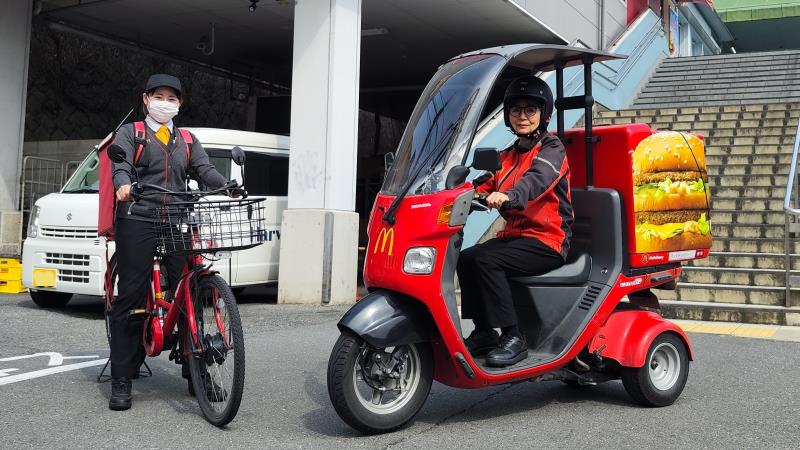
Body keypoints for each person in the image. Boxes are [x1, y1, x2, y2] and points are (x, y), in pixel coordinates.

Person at [108, 74, 231, 410]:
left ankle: (196, 373)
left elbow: (204, 170)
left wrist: (226, 185)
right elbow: (119, 164)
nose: (166, 102)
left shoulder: (188, 140)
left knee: (188, 289)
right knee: (132, 294)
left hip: (176, 217)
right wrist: (123, 184)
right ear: (146, 98)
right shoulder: (131, 133)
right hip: (138, 215)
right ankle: (122, 374)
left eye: (172, 98)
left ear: (179, 104)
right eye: (159, 96)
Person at [457, 76, 573, 368]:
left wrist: (508, 196)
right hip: (517, 238)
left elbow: (537, 180)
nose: (523, 116)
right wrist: (456, 195)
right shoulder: (506, 155)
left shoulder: (552, 148)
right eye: (516, 110)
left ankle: (513, 336)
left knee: (487, 261)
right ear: (508, 115)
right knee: (467, 257)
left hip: (548, 240)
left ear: (543, 115)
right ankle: (484, 331)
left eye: (530, 110)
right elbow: (483, 183)